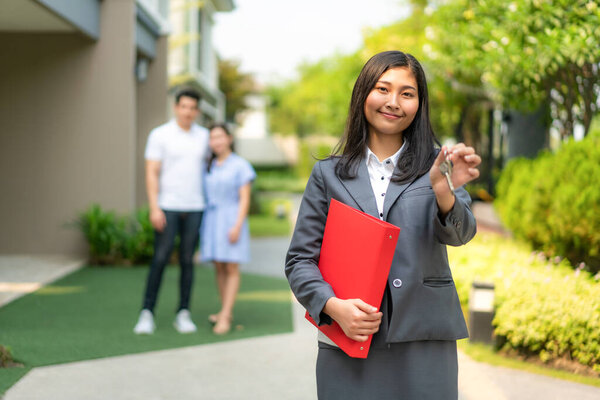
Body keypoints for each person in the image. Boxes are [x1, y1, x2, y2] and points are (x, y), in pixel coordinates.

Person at [285, 50, 481, 399]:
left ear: (419, 104)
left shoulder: (437, 166)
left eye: (407, 93)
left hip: (424, 339)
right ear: (363, 94)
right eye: (382, 89)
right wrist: (333, 306)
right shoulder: (327, 174)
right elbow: (300, 261)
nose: (393, 102)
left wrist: (443, 190)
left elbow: (461, 233)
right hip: (349, 338)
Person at [134, 88, 209, 335]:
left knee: (187, 261)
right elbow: (151, 172)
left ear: (197, 111)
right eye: (183, 106)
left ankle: (183, 313)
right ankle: (147, 313)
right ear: (176, 107)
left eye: (192, 108)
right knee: (160, 258)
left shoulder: (204, 137)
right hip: (167, 207)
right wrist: (155, 207)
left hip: (195, 206)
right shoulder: (160, 135)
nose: (187, 112)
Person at [200, 123, 256, 335]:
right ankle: (225, 310)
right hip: (212, 221)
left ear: (229, 138)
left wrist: (237, 225)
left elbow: (244, 199)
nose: (216, 142)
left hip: (232, 219)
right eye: (212, 138)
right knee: (219, 266)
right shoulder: (209, 165)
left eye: (220, 137)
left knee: (231, 267)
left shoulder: (240, 165)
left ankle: (225, 316)